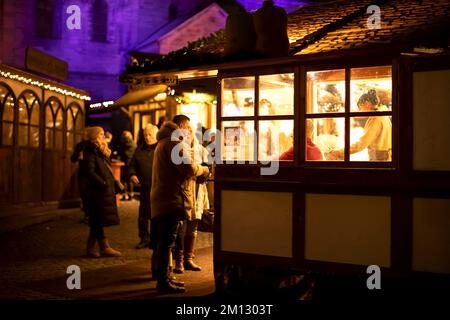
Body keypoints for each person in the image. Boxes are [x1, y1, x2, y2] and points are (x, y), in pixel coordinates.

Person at [151, 115, 209, 293]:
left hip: (165, 197)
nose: (190, 131)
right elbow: (189, 168)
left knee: (165, 241)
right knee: (167, 242)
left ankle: (166, 277)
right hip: (172, 198)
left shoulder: (164, 141)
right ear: (182, 126)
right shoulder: (174, 143)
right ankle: (163, 282)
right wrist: (204, 169)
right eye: (189, 128)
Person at [173, 127, 210, 274]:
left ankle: (188, 259)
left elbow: (207, 170)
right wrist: (198, 171)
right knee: (181, 227)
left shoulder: (201, 150)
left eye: (189, 135)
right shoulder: (180, 151)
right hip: (185, 191)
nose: (188, 138)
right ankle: (179, 261)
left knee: (193, 227)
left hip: (197, 190)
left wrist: (202, 173)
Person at [82, 126, 121, 258]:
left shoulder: (100, 150)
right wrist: (103, 183)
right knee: (96, 219)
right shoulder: (91, 150)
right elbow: (89, 171)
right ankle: (100, 247)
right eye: (100, 135)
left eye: (103, 134)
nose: (103, 137)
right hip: (97, 191)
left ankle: (98, 247)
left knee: (97, 220)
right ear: (94, 137)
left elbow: (105, 169)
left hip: (102, 190)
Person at [328, 89, 392, 161]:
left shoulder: (376, 118)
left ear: (367, 104)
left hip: (379, 158)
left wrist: (340, 152)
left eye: (361, 107)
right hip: (384, 157)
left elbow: (362, 143)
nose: (361, 111)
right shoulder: (383, 114)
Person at [129, 124, 158, 249]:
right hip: (145, 187)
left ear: (156, 135)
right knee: (143, 216)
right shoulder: (139, 150)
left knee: (156, 215)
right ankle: (144, 238)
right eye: (145, 134)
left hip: (158, 188)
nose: (147, 137)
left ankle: (155, 239)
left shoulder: (160, 149)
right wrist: (132, 174)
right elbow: (132, 166)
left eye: (150, 134)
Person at [70, 128, 90, 223]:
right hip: (83, 172)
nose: (83, 136)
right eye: (82, 134)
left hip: (90, 173)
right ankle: (87, 214)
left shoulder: (93, 145)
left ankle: (89, 214)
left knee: (88, 194)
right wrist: (78, 156)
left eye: (85, 134)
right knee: (84, 193)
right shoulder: (79, 146)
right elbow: (73, 158)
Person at [118, 130, 137, 200]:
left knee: (123, 180)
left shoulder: (123, 143)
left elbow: (120, 153)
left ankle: (124, 194)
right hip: (131, 163)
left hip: (124, 163)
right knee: (130, 179)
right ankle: (131, 194)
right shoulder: (134, 143)